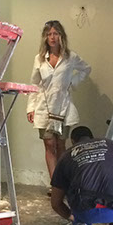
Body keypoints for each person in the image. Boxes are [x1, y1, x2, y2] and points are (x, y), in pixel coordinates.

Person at [26, 20, 91, 187]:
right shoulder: (39, 59)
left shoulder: (70, 57)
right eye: (49, 34)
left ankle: (63, 183)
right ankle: (54, 184)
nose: (52, 37)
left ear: (61, 36)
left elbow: (86, 69)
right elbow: (34, 84)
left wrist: (72, 82)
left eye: (55, 34)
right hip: (44, 106)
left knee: (61, 144)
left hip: (63, 106)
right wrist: (30, 108)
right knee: (49, 144)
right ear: (45, 37)